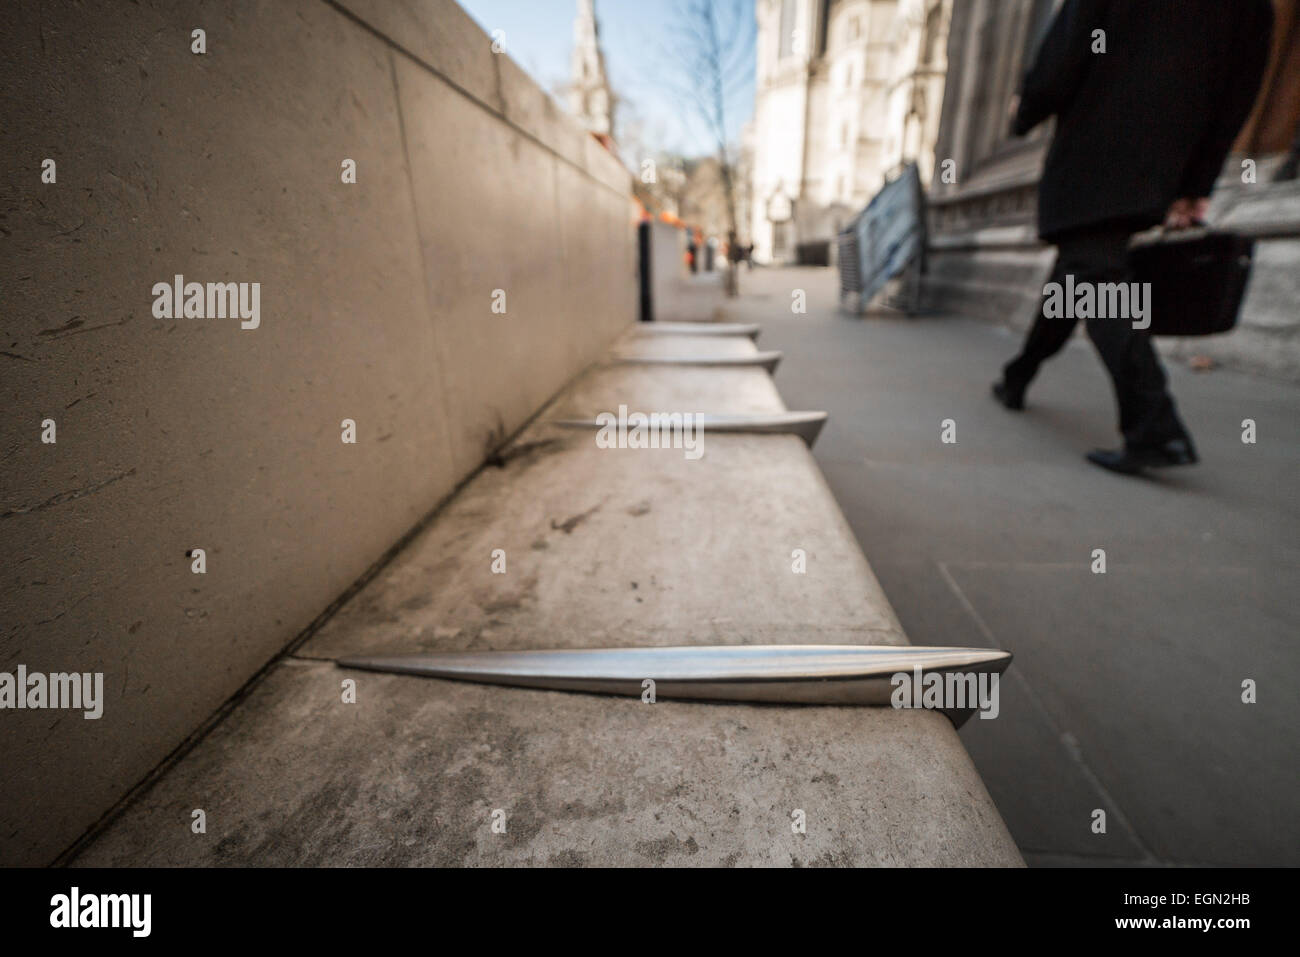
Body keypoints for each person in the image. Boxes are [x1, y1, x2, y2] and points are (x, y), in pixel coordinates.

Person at [992, 0, 1273, 474]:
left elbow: (1067, 51)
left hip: (1098, 151)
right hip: (1161, 164)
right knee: (1079, 272)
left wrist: (1028, 106)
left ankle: (1156, 430)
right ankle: (1018, 375)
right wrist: (1194, 183)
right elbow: (1235, 97)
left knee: (1097, 283)